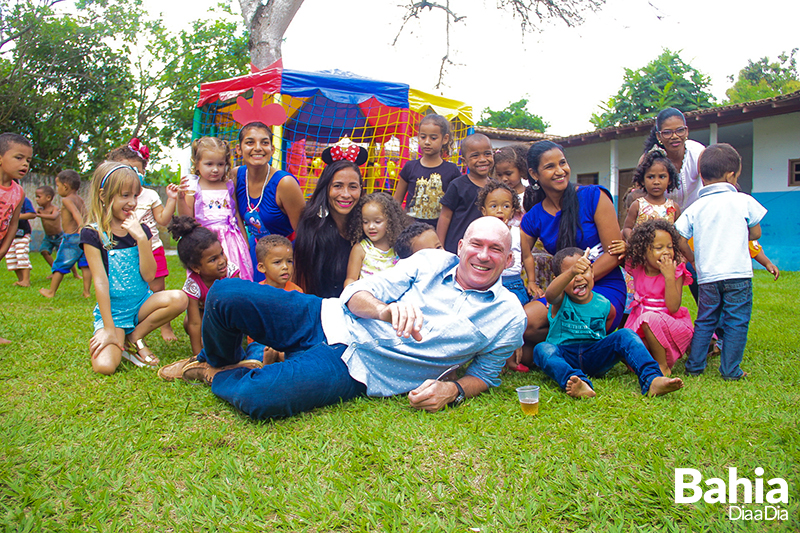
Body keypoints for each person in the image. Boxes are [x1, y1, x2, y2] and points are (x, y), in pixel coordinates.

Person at [166, 216, 526, 420]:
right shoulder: (430, 260)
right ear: (460, 247)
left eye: (496, 249)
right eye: (476, 244)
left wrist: (454, 389)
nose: (483, 255)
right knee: (225, 295)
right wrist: (385, 310)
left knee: (262, 396)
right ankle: (216, 359)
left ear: (508, 261)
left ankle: (218, 373)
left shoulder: (509, 316)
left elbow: (485, 374)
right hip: (322, 315)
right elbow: (354, 294)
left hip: (356, 366)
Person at [519, 141, 626, 359]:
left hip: (603, 283)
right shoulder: (533, 217)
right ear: (534, 173)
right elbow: (519, 252)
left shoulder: (594, 197)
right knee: (526, 322)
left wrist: (580, 280)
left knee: (589, 314)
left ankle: (548, 351)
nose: (560, 171)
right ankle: (567, 349)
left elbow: (615, 254)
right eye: (550, 167)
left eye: (563, 163)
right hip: (562, 290)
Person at [533, 247, 684, 399]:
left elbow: (610, 319)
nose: (578, 278)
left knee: (625, 334)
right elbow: (551, 294)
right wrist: (571, 272)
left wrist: (602, 341)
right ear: (560, 278)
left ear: (592, 272)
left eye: (583, 271)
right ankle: (576, 381)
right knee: (542, 349)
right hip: (565, 354)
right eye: (571, 274)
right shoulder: (559, 301)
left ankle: (652, 379)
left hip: (594, 355)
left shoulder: (604, 304)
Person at [81, 162, 187, 374]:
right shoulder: (92, 234)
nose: (132, 203)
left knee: (180, 298)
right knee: (105, 366)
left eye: (135, 196)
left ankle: (135, 337)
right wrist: (109, 329)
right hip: (114, 313)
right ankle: (118, 335)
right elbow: (100, 281)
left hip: (142, 305)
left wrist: (140, 237)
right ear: (103, 196)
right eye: (125, 196)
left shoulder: (142, 230)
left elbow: (149, 275)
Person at [675, 144, 767, 380]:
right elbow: (755, 233)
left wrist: (692, 258)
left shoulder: (696, 206)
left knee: (705, 319)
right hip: (738, 275)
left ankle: (694, 366)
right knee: (737, 321)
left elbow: (679, 237)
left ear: (702, 177)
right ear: (731, 175)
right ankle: (730, 370)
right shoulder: (743, 201)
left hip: (707, 277)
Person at [108, 139, 180, 340]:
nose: (133, 174)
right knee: (134, 290)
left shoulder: (149, 195)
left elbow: (163, 220)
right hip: (126, 252)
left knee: (157, 289)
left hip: (153, 248)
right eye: (126, 169)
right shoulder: (112, 199)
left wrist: (172, 199)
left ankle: (166, 327)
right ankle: (131, 326)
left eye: (137, 170)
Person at [233, 122, 305, 282]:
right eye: (250, 142)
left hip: (287, 254)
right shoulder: (235, 176)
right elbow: (236, 216)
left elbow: (304, 233)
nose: (258, 148)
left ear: (272, 150)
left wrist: (295, 271)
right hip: (256, 250)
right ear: (239, 149)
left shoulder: (285, 184)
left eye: (264, 142)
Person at [623, 220, 693, 376]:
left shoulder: (675, 271)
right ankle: (646, 361)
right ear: (642, 251)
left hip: (668, 325)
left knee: (649, 319)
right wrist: (625, 247)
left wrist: (669, 277)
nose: (666, 252)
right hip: (639, 322)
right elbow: (621, 256)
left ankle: (663, 365)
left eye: (669, 247)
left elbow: (673, 307)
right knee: (625, 347)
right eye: (658, 248)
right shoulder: (638, 267)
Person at [165, 216, 239, 359]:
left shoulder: (231, 272)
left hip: (227, 313)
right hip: (204, 314)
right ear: (196, 268)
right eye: (213, 260)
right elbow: (193, 322)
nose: (222, 261)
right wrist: (197, 355)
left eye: (221, 253)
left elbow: (238, 306)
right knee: (188, 323)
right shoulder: (193, 286)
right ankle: (206, 341)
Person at [179, 137, 252, 280]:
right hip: (206, 241)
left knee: (236, 273)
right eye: (209, 164)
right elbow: (187, 218)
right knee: (210, 275)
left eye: (220, 164)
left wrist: (244, 239)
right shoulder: (194, 187)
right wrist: (180, 199)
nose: (215, 169)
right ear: (197, 164)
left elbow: (235, 213)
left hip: (231, 240)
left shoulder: (228, 185)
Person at [293, 159, 363, 297]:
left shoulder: (369, 227)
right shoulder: (312, 228)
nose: (346, 194)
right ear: (326, 188)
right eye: (338, 186)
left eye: (353, 187)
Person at [393, 114, 461, 227]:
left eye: (433, 138)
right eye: (423, 137)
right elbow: (396, 202)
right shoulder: (410, 167)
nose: (427, 142)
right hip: (410, 230)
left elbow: (456, 206)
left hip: (437, 232)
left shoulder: (452, 170)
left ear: (445, 139)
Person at [39, 170, 92, 299]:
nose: (57, 189)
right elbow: (85, 214)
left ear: (65, 186)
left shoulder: (66, 199)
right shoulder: (79, 199)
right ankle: (86, 292)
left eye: (58, 186)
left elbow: (76, 213)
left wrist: (80, 226)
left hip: (71, 237)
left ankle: (51, 292)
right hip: (83, 236)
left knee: (60, 264)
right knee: (85, 265)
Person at [437, 133, 494, 254]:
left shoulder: (496, 188)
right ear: (464, 161)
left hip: (484, 248)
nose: (483, 159)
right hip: (457, 247)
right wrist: (439, 247)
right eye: (475, 156)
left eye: (487, 153)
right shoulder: (457, 185)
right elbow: (445, 216)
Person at [477, 180, 530, 307]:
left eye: (506, 206)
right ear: (484, 211)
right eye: (494, 206)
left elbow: (527, 257)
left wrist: (532, 281)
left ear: (512, 211)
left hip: (513, 283)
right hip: (487, 284)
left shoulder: (518, 233)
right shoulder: (479, 232)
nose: (500, 211)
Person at [642, 107, 705, 210]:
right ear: (659, 136)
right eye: (667, 132)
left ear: (687, 131)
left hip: (696, 217)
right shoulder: (650, 159)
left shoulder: (698, 153)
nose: (675, 136)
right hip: (662, 220)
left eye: (680, 131)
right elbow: (641, 195)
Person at [344, 192, 405, 286]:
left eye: (377, 221)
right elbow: (351, 279)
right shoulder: (360, 249)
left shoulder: (399, 248)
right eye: (365, 222)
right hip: (366, 297)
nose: (371, 226)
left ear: (390, 221)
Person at [622, 147, 681, 240]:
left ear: (670, 180)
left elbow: (679, 233)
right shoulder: (637, 205)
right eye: (651, 177)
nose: (656, 182)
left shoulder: (674, 208)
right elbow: (627, 228)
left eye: (662, 177)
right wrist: (634, 243)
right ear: (642, 180)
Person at [0, 133, 31, 305]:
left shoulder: (19, 192)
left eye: (28, 160)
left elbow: (13, 223)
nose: (25, 164)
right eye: (19, 158)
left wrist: (4, 249)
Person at [34, 185, 80, 279]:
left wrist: (39, 215)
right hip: (48, 237)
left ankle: (75, 273)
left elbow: (54, 216)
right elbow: (32, 214)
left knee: (66, 255)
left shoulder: (54, 208)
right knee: (44, 251)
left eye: (39, 197)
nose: (36, 199)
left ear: (48, 198)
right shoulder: (39, 210)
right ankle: (55, 270)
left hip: (59, 236)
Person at [7, 194, 34, 287]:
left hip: (22, 233)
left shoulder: (23, 200)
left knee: (21, 254)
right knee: (11, 258)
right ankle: (21, 280)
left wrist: (16, 216)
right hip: (9, 235)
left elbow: (32, 214)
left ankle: (26, 280)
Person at [493, 144, 529, 215]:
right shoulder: (496, 194)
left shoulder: (529, 195)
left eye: (508, 174)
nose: (504, 179)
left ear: (521, 170)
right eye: (499, 175)